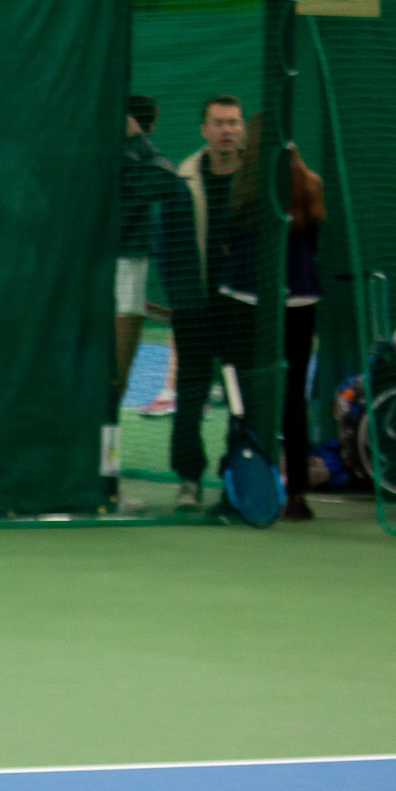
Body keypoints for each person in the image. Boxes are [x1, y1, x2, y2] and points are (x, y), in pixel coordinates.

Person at [154, 96, 260, 512]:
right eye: (218, 123)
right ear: (204, 130)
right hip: (195, 310)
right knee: (191, 394)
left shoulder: (259, 180)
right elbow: (167, 248)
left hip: (242, 309)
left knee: (243, 399)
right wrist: (183, 301)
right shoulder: (183, 181)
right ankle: (188, 478)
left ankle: (237, 478)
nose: (227, 131)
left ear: (243, 129)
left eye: (233, 123)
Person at [241, 121, 328, 519]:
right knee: (293, 394)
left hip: (255, 298)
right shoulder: (311, 183)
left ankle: (251, 486)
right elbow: (314, 244)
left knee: (253, 390)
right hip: (303, 296)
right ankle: (296, 495)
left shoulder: (248, 184)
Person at [116, 96, 175, 411]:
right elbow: (166, 179)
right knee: (114, 375)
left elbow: (163, 181)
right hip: (117, 268)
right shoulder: (135, 162)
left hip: (123, 267)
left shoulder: (133, 163)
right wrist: (138, 139)